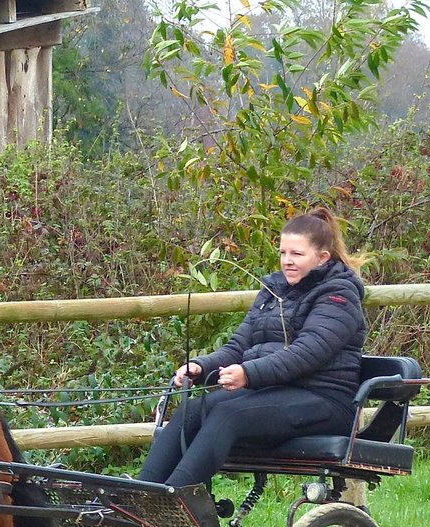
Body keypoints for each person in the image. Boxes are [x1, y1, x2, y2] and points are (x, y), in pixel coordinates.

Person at [139, 206, 367, 489]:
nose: (287, 261)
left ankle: (173, 499)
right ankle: (142, 497)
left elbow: (308, 352)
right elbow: (239, 344)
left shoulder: (338, 295)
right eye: (283, 253)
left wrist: (249, 373)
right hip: (275, 392)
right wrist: (202, 365)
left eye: (297, 254)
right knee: (193, 410)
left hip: (323, 400)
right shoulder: (274, 290)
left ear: (322, 258)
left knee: (228, 415)